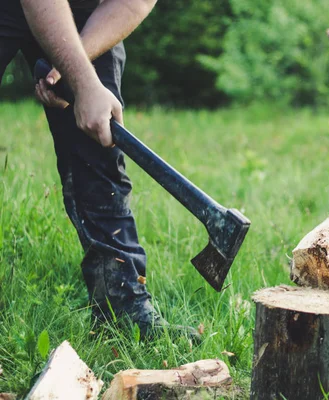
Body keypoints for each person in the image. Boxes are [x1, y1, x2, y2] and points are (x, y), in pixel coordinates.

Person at [0, 0, 200, 341]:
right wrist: (82, 80)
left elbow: (130, 2)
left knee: (100, 143)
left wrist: (73, 72)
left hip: (86, 12)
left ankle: (122, 306)